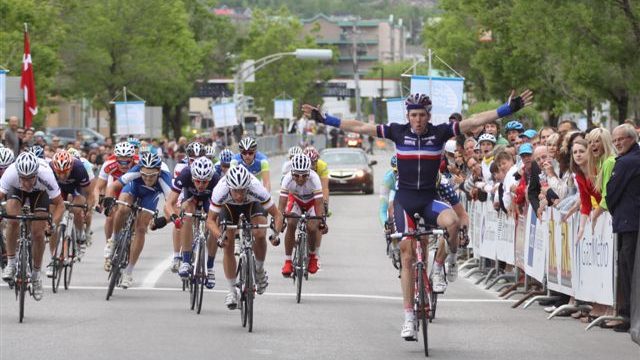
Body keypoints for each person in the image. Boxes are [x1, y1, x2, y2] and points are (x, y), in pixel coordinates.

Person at [303, 89, 533, 339]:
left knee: (453, 223)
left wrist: (507, 109)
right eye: (413, 115)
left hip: (429, 199)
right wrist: (325, 119)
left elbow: (475, 120)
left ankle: (445, 263)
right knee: (407, 254)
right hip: (405, 201)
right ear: (408, 115)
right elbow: (360, 126)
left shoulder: (441, 132)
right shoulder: (397, 131)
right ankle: (409, 317)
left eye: (422, 115)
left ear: (428, 115)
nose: (418, 120)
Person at [205, 166, 283, 309]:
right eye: (236, 191)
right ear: (229, 188)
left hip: (252, 204)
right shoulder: (220, 190)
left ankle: (259, 270)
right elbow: (210, 221)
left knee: (260, 233)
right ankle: (231, 291)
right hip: (229, 207)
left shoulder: (256, 188)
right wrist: (219, 237)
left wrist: (275, 234)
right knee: (227, 244)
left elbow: (277, 215)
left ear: (248, 186)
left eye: (242, 191)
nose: (239, 195)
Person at [0, 152, 65, 301]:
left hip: (40, 194)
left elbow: (60, 205)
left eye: (30, 178)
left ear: (36, 173)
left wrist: (53, 223)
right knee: (12, 220)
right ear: (18, 174)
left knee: (38, 233)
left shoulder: (46, 174)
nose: (27, 182)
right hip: (17, 192)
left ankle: (36, 276)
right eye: (23, 178)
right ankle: (11, 263)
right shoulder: (11, 173)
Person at [102, 152, 173, 288]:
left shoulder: (165, 179)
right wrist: (109, 200)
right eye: (144, 175)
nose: (147, 179)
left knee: (141, 228)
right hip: (134, 189)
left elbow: (174, 207)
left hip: (151, 195)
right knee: (122, 209)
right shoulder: (136, 171)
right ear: (140, 169)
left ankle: (128, 272)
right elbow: (113, 187)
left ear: (158, 171)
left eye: (151, 176)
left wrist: (163, 220)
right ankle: (114, 239)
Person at [605, 124, 640, 332]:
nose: (618, 143)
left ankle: (628, 315)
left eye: (621, 139)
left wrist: (611, 206)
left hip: (629, 222)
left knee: (628, 269)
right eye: (615, 140)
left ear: (632, 139)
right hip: (630, 220)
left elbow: (611, 192)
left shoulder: (626, 162)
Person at [166, 157, 220, 288]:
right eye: (197, 181)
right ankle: (185, 261)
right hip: (190, 198)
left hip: (209, 199)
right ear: (192, 177)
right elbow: (169, 203)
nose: (201, 185)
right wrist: (174, 217)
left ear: (210, 179)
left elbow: (222, 205)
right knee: (187, 215)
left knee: (215, 222)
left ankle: (210, 267)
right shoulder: (185, 174)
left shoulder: (217, 179)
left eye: (204, 182)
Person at [279, 154, 327, 276]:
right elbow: (282, 204)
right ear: (292, 172)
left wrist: (321, 221)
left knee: (312, 227)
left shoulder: (315, 178)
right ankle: (288, 261)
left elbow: (319, 203)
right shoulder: (287, 178)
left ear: (309, 173)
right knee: (290, 223)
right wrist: (280, 219)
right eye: (297, 175)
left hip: (312, 203)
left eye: (304, 175)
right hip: (296, 201)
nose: (300, 179)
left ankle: (312, 257)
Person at [95, 142, 137, 271]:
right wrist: (98, 202)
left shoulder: (139, 165)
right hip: (115, 189)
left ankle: (129, 246)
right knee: (110, 215)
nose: (123, 165)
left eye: (127, 162)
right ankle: (110, 244)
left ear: (132, 159)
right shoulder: (109, 164)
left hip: (134, 190)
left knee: (136, 221)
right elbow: (98, 187)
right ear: (116, 158)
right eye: (121, 162)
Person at [46, 150, 92, 273]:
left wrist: (88, 207)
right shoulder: (49, 168)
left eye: (65, 172)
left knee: (77, 208)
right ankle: (53, 259)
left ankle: (79, 233)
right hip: (59, 190)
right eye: (59, 172)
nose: (62, 176)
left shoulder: (79, 168)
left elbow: (88, 191)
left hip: (76, 189)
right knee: (53, 222)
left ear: (71, 168)